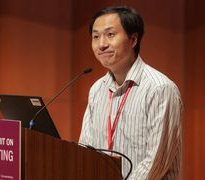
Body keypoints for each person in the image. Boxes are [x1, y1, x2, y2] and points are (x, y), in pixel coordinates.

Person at [78, 5, 183, 179]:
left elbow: (156, 162)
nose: (102, 44)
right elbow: (85, 149)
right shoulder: (97, 90)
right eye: (96, 36)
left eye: (110, 35)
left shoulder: (160, 88)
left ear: (133, 39)